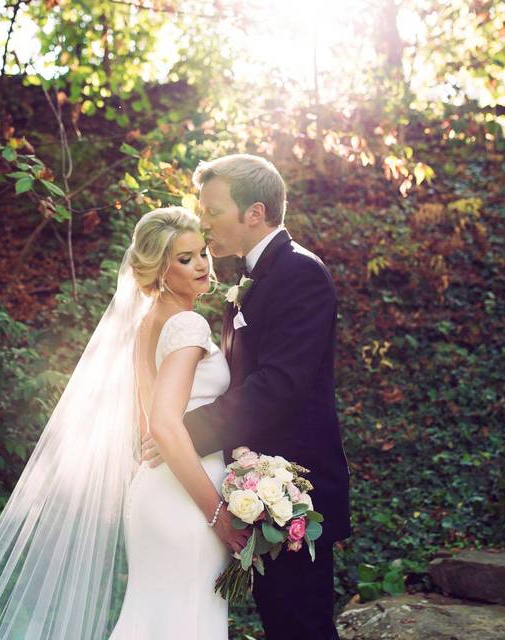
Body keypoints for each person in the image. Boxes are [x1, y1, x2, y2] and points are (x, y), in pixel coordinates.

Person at [0, 207, 245, 640]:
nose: (203, 264)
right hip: (188, 502)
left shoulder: (147, 322)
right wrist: (218, 515)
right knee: (188, 622)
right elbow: (164, 427)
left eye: (202, 252)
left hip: (155, 494)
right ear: (159, 270)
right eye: (185, 259)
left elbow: (145, 424)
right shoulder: (187, 324)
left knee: (151, 621)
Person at [142, 154, 352, 640]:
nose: (204, 221)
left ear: (253, 213)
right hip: (257, 487)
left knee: (302, 626)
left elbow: (277, 386)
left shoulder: (300, 273)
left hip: (298, 490)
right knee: (282, 622)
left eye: (212, 210)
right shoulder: (253, 280)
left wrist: (184, 433)